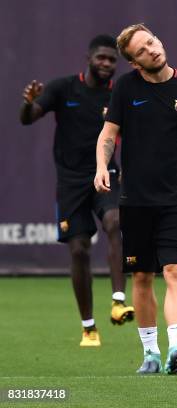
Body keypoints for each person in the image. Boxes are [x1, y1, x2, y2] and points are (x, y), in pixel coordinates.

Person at [94, 23, 177, 375]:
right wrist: (102, 165)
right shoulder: (125, 89)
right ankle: (150, 353)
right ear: (134, 62)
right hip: (135, 200)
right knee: (143, 278)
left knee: (176, 271)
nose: (152, 50)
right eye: (142, 50)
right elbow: (108, 134)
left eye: (151, 42)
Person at [19, 35, 134, 347]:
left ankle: (119, 300)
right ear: (89, 58)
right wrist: (29, 103)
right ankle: (89, 326)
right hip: (70, 181)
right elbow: (28, 119)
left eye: (112, 60)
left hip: (106, 173)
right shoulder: (63, 88)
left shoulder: (120, 93)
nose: (107, 64)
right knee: (80, 248)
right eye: (102, 58)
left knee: (114, 222)